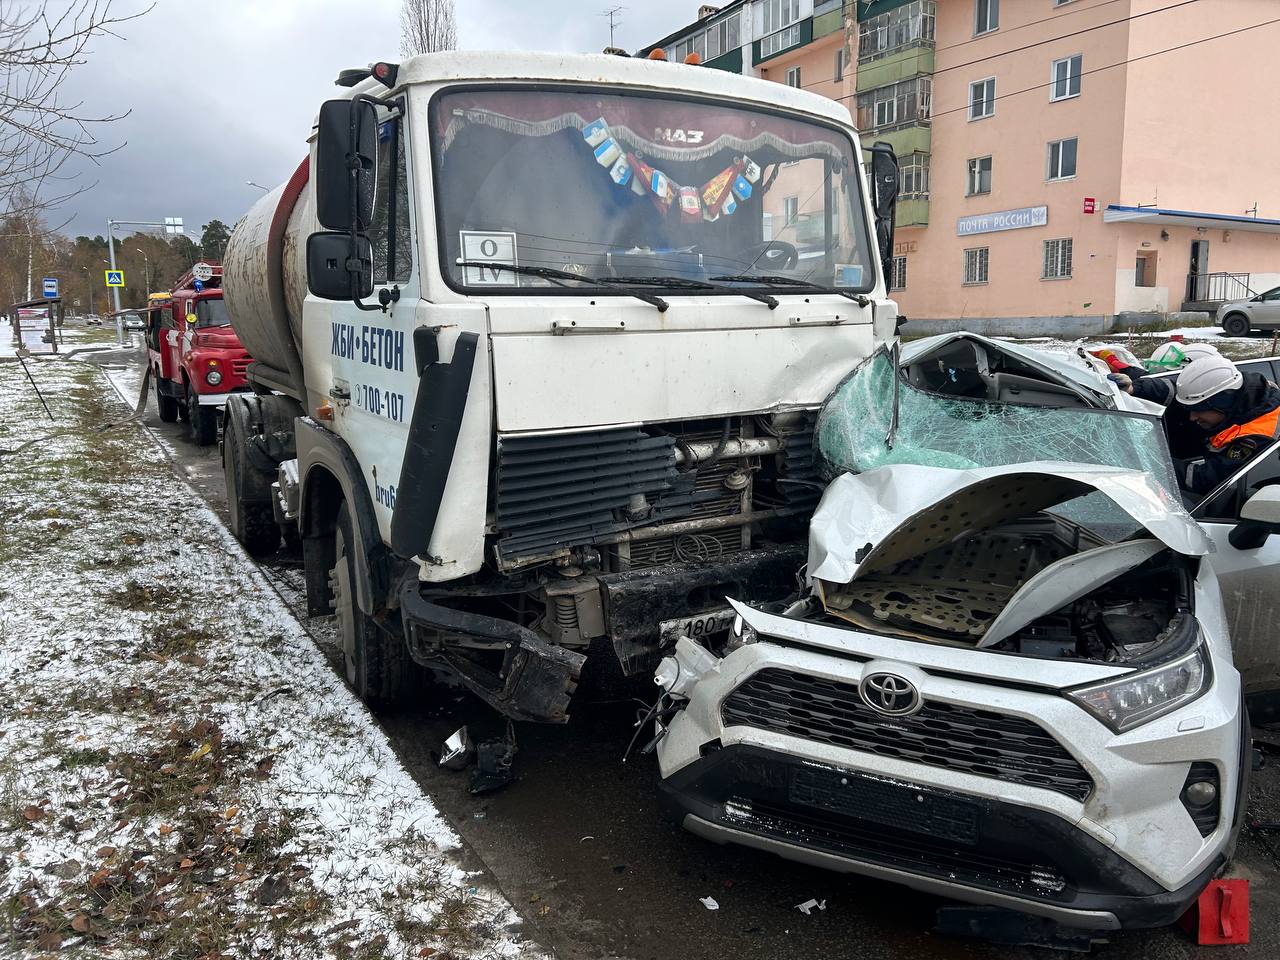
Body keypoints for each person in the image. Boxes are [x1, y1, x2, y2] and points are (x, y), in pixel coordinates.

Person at [1170, 354, 1280, 494]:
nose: (1192, 417)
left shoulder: (1256, 438)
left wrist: (1156, 464)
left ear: (1223, 403)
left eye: (1198, 410)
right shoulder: (1251, 396)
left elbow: (1206, 480)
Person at [1092, 341, 1222, 405]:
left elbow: (1161, 387)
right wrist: (1121, 367)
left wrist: (1132, 388)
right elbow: (1147, 377)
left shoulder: (1189, 398)